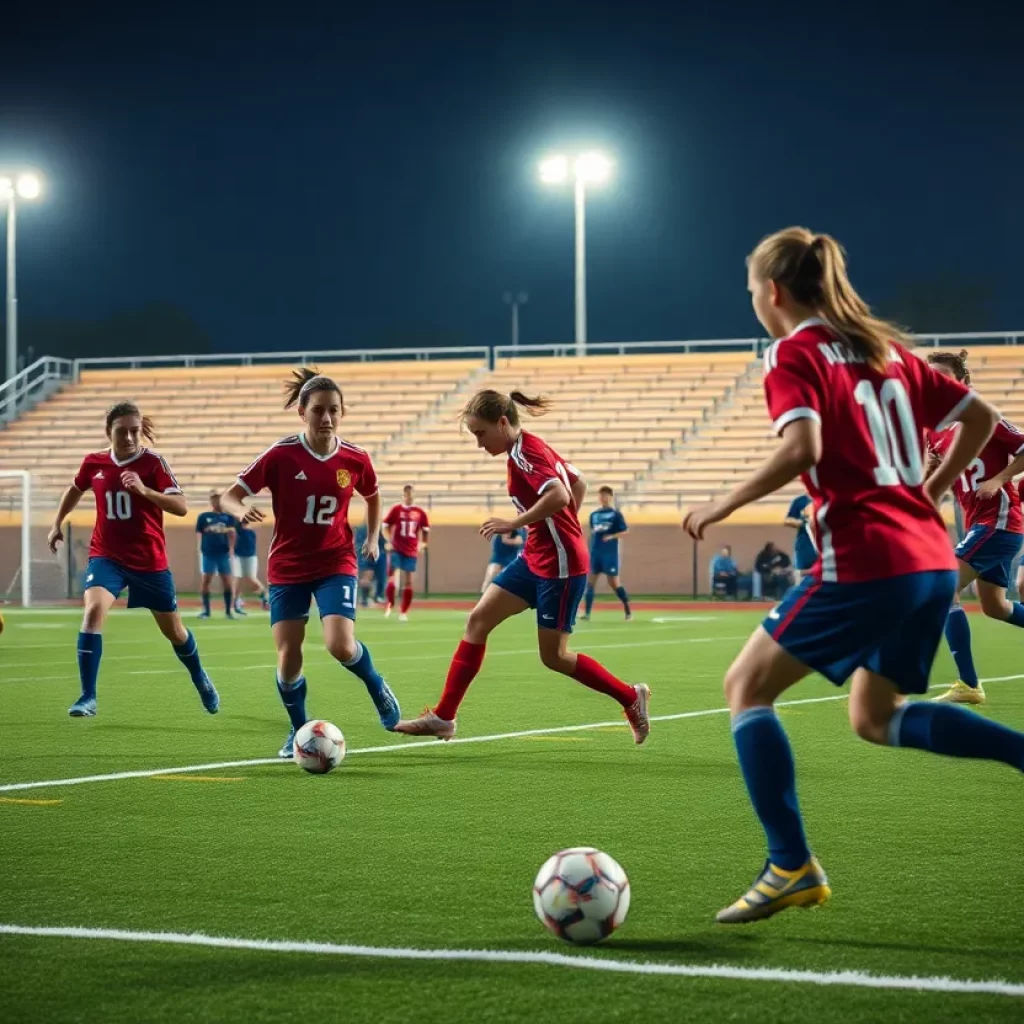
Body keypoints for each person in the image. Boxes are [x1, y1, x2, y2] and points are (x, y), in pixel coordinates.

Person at [683, 226, 1024, 926]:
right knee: (874, 717)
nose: (753, 299)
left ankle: (790, 864)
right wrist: (928, 490)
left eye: (751, 289)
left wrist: (723, 503)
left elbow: (802, 445)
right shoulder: (885, 350)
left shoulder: (793, 353)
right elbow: (984, 418)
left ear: (771, 292)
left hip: (869, 559)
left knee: (745, 687)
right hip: (930, 558)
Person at [394, 390, 650, 743]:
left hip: (561, 566)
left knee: (554, 657)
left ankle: (630, 696)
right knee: (478, 620)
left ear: (502, 422)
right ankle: (444, 718)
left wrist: (517, 524)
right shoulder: (528, 446)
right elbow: (578, 482)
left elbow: (560, 494)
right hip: (535, 556)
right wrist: (556, 528)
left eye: (481, 434)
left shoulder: (527, 453)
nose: (479, 444)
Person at [219, 368, 400, 757]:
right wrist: (239, 510)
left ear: (342, 412)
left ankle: (376, 686)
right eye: (318, 410)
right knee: (289, 656)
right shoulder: (280, 455)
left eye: (334, 410)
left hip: (336, 561)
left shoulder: (355, 458)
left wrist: (372, 537)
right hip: (287, 566)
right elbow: (229, 497)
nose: (327, 418)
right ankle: (297, 728)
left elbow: (373, 496)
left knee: (339, 645)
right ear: (302, 412)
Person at [47, 402, 218, 717]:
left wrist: (144, 491)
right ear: (108, 431)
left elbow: (181, 507)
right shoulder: (93, 463)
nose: (128, 437)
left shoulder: (153, 464)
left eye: (134, 431)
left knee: (175, 633)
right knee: (93, 611)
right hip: (106, 556)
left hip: (149, 562)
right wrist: (58, 523)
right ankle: (88, 696)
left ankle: (199, 676)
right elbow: (74, 489)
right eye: (121, 431)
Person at [924, 350, 1024, 706]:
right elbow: (934, 479)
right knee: (996, 607)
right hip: (978, 524)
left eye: (943, 375)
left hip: (998, 522)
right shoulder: (933, 430)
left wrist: (999, 478)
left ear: (964, 382)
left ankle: (969, 684)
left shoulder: (983, 417)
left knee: (942, 588)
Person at [582, 486, 632, 620]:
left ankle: (627, 610)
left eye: (605, 495)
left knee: (614, 583)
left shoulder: (615, 514)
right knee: (590, 583)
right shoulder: (594, 515)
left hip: (609, 554)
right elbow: (592, 533)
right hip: (596, 552)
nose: (602, 498)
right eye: (601, 495)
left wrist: (612, 536)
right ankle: (587, 613)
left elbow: (625, 531)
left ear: (610, 497)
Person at [383, 484, 430, 621]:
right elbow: (385, 526)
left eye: (411, 494)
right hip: (396, 548)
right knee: (392, 577)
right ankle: (390, 604)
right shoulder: (396, 509)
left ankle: (404, 611)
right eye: (406, 494)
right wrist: (389, 540)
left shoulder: (420, 512)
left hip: (411, 550)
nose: (409, 497)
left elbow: (425, 530)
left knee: (408, 581)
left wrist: (423, 544)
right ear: (403, 496)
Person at [196, 491, 236, 619]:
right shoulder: (203, 517)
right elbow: (199, 533)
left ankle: (229, 611)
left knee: (227, 582)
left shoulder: (228, 517)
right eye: (213, 500)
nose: (216, 502)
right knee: (206, 580)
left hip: (223, 553)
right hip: (208, 553)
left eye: (218, 499)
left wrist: (231, 549)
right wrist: (200, 548)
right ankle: (206, 611)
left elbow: (233, 533)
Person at [231, 516, 269, 615]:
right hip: (239, 557)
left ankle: (266, 596)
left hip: (249, 557)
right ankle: (236, 602)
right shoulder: (238, 529)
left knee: (251, 579)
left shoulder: (249, 531)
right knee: (238, 579)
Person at [783, 492, 816, 580]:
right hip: (805, 544)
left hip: (826, 543)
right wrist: (801, 522)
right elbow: (787, 520)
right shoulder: (800, 501)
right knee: (803, 575)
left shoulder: (829, 497)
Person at [481, 527, 525, 592]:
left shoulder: (517, 536)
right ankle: (483, 595)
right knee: (489, 578)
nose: (507, 533)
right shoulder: (497, 537)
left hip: (510, 561)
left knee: (508, 581)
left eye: (509, 531)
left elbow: (518, 541)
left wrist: (508, 539)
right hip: (497, 559)